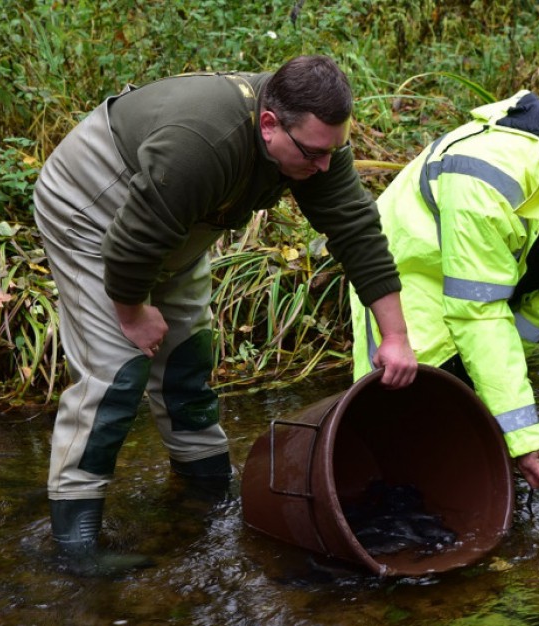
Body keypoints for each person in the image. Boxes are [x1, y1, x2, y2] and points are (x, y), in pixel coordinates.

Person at [33, 55, 417, 575]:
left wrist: (394, 335)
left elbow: (357, 232)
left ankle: (204, 485)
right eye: (313, 154)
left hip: (174, 217)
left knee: (188, 354)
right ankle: (74, 543)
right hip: (93, 201)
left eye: (333, 151)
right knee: (117, 370)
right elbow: (128, 247)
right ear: (268, 125)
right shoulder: (200, 146)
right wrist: (133, 311)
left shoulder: (313, 141)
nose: (324, 166)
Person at [351, 90, 539, 491]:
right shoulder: (486, 179)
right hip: (413, 265)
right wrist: (524, 437)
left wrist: (500, 391)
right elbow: (479, 315)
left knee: (477, 392)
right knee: (397, 395)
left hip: (498, 266)